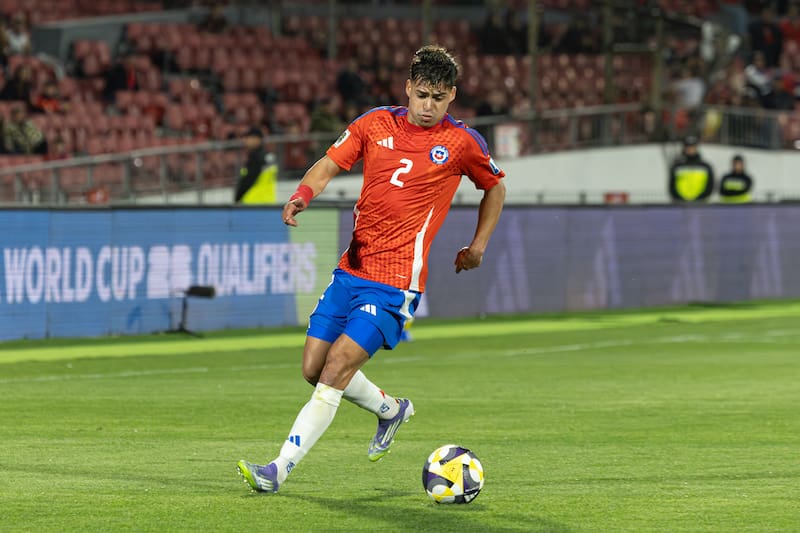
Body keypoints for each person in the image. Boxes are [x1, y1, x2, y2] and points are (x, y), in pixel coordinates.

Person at [236, 45, 506, 494]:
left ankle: (277, 469)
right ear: (408, 88)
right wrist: (303, 194)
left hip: (394, 284)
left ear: (452, 96)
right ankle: (389, 409)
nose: (428, 106)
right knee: (312, 366)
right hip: (351, 271)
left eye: (439, 98)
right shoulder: (374, 122)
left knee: (336, 367)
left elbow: (494, 188)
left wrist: (479, 245)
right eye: (422, 95)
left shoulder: (462, 142)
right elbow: (329, 163)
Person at [234, 126, 278, 204]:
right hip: (268, 203)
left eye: (248, 138)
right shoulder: (268, 157)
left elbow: (248, 180)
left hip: (253, 204)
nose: (245, 141)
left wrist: (237, 198)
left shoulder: (256, 158)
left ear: (257, 139)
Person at [668, 136, 714, 202]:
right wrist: (680, 199)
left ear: (696, 148)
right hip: (680, 204)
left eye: (692, 147)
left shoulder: (705, 167)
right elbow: (672, 186)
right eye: (688, 147)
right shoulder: (677, 166)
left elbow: (710, 186)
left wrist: (700, 199)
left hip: (701, 204)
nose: (690, 149)